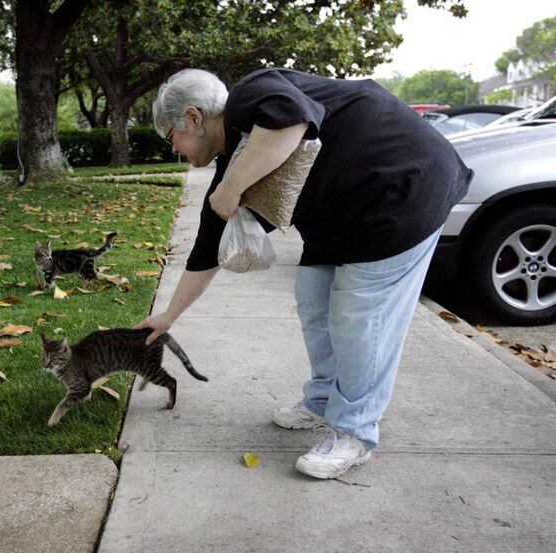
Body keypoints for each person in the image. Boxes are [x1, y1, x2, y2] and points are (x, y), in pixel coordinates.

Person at [134, 68, 472, 480]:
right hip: (344, 214)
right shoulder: (236, 154)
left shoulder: (249, 96)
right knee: (314, 298)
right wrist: (168, 317)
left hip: (404, 188)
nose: (174, 149)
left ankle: (355, 431)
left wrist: (231, 188)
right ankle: (324, 399)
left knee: (359, 315)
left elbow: (291, 117)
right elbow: (207, 247)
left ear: (193, 117)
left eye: (171, 137)